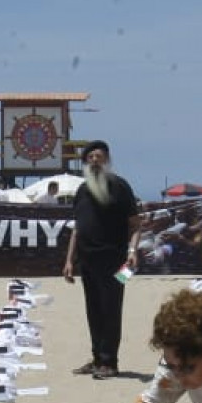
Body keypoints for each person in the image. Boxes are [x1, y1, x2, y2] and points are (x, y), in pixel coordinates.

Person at [61, 140, 142, 379]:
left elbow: (136, 225)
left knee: (112, 310)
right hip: (87, 261)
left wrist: (133, 252)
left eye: (99, 156)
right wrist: (69, 261)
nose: (94, 160)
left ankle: (110, 362)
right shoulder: (82, 191)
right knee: (93, 311)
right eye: (90, 157)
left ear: (107, 160)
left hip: (117, 261)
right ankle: (97, 358)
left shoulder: (120, 187)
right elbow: (77, 228)